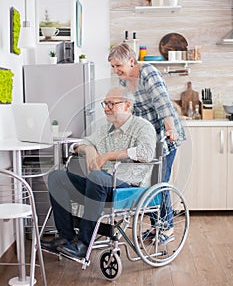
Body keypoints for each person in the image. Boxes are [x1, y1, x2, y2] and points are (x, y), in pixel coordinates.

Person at [41, 86, 157, 258]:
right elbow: (78, 143)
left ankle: (84, 244)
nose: (106, 108)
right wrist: (87, 149)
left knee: (96, 176)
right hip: (99, 185)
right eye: (105, 103)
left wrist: (109, 156)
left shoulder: (143, 127)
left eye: (112, 104)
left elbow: (146, 153)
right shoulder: (104, 130)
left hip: (128, 188)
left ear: (127, 105)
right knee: (57, 177)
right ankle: (66, 238)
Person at [108, 43, 186, 243]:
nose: (116, 71)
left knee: (159, 182)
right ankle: (155, 227)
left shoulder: (148, 73)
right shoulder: (125, 81)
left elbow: (163, 103)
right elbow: (130, 109)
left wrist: (170, 129)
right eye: (113, 67)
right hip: (148, 137)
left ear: (131, 61)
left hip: (165, 134)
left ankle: (166, 228)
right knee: (148, 182)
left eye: (118, 66)